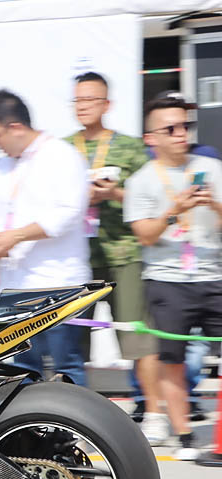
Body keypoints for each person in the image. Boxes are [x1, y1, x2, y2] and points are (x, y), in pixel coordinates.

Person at [62, 72, 164, 432]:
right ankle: (76, 418)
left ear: (108, 104)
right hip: (77, 259)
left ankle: (154, 413)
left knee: (138, 337)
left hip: (123, 254)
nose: (84, 106)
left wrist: (114, 194)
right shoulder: (61, 148)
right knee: (75, 342)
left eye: (91, 99)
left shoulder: (130, 147)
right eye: (78, 100)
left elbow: (150, 198)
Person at [124, 94, 222, 460]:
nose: (181, 134)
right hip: (167, 278)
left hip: (213, 273)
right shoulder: (141, 181)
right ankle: (183, 436)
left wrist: (211, 203)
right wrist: (174, 210)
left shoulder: (212, 168)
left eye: (186, 126)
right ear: (152, 137)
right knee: (172, 359)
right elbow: (145, 235)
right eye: (171, 128)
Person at [0, 89, 90, 386]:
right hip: (16, 287)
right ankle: (31, 430)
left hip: (58, 284)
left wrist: (16, 236)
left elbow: (68, 212)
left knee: (66, 366)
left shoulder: (63, 156)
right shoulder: (1, 166)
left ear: (15, 127)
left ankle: (79, 428)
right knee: (24, 367)